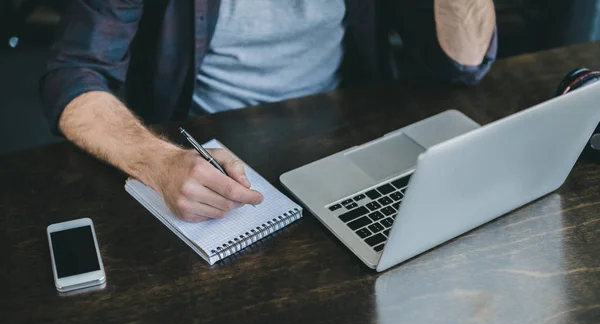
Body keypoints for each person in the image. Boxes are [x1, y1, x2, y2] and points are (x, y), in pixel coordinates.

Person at [40, 0, 497, 222]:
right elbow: (75, 74)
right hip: (208, 155)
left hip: (345, 147)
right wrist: (158, 161)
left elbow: (463, 63)